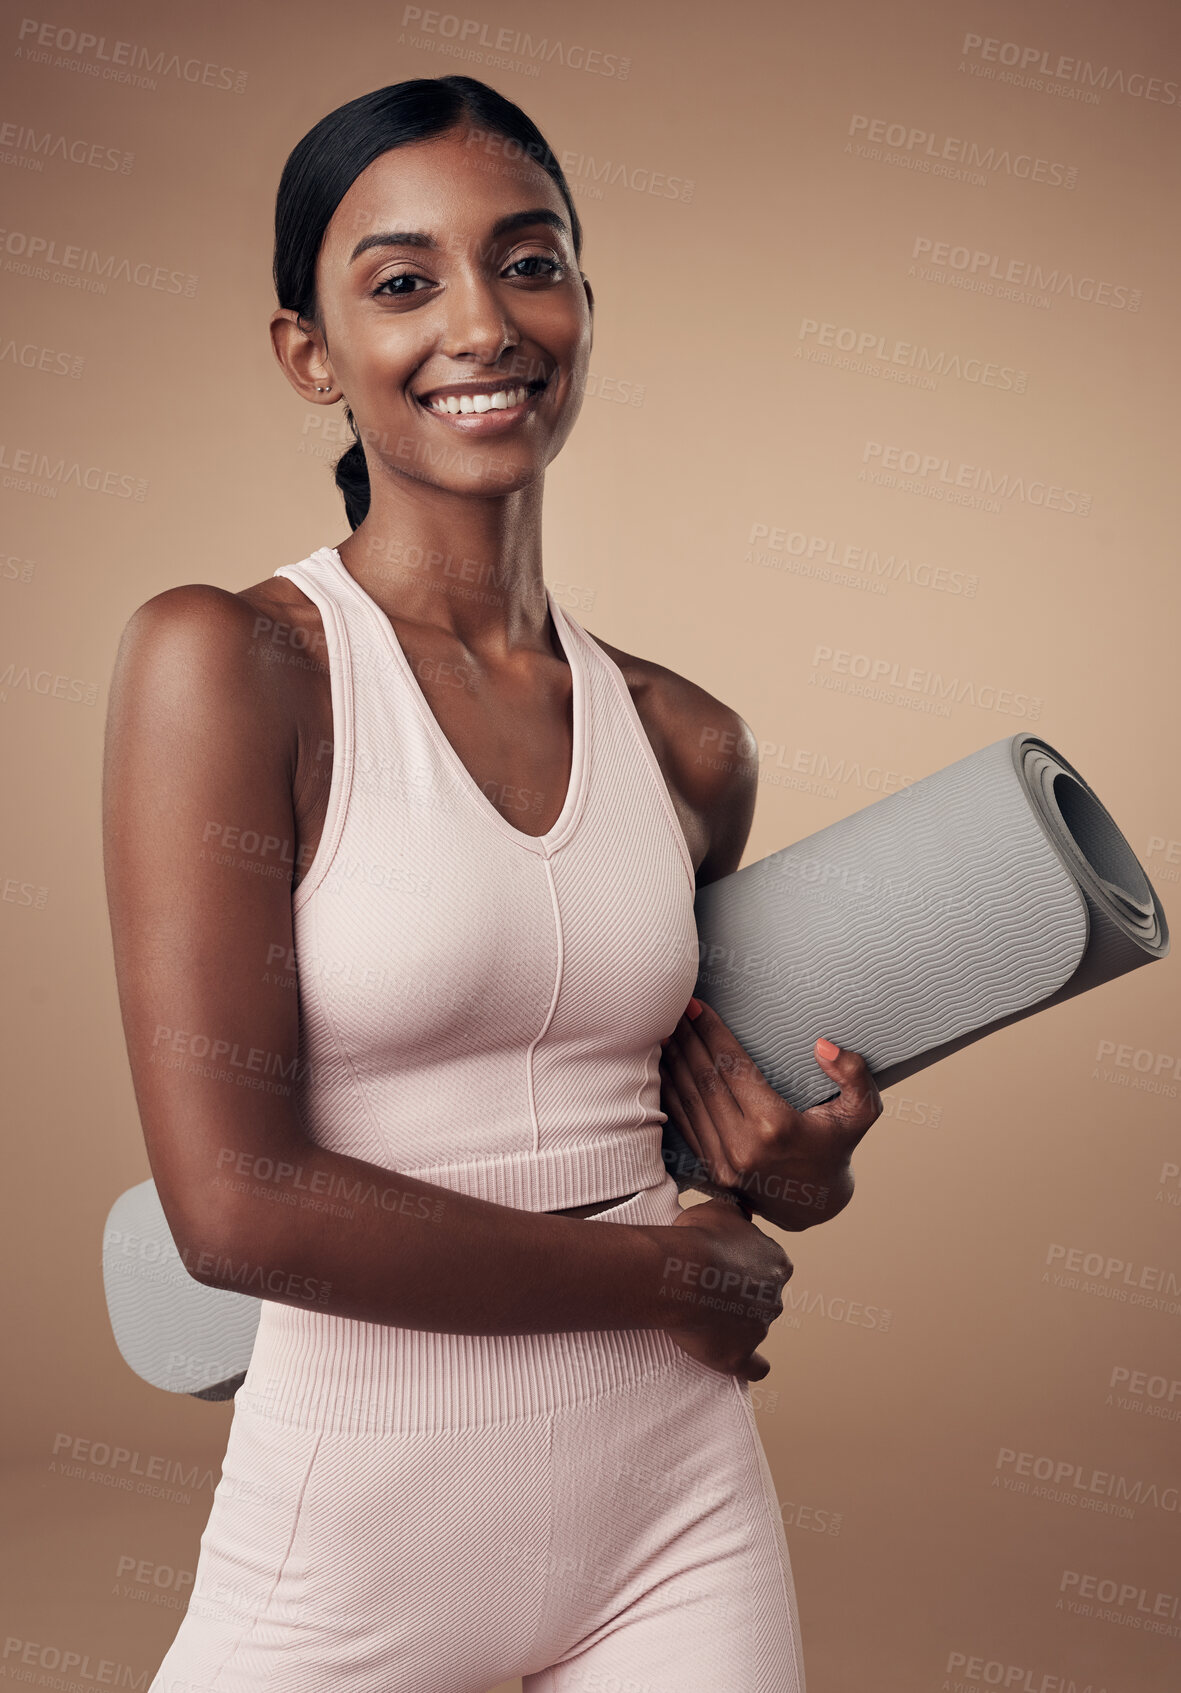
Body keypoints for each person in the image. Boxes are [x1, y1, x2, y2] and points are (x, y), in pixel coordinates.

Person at [103, 75, 881, 1693]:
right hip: (357, 1533)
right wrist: (664, 1273)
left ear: (583, 303)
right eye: (402, 282)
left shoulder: (687, 742)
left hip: (674, 1508)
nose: (483, 323)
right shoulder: (232, 665)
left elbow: (679, 1134)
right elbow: (232, 1205)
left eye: (528, 263)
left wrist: (791, 1174)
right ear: (307, 353)